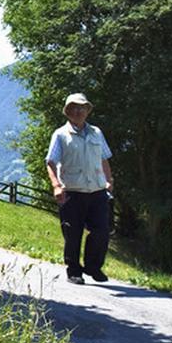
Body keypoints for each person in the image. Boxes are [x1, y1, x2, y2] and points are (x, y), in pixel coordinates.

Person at [45, 93, 114, 285]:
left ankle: (93, 266)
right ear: (67, 112)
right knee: (72, 232)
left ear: (87, 111)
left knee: (101, 230)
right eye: (74, 108)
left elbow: (104, 158)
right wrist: (56, 186)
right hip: (72, 191)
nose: (78, 111)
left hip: (97, 190)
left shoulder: (97, 133)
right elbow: (51, 162)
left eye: (82, 107)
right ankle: (74, 271)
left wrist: (109, 180)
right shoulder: (60, 134)